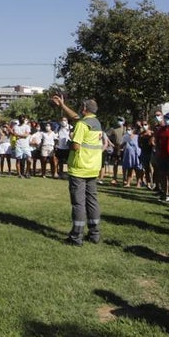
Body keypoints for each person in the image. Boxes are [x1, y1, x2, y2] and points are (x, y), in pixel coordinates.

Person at [52, 95, 105, 246]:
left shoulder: (82, 125)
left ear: (84, 109)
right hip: (93, 168)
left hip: (79, 168)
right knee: (92, 201)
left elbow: (75, 145)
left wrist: (71, 137)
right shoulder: (96, 122)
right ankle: (94, 234)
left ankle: (76, 236)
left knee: (78, 203)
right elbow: (76, 117)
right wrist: (63, 105)